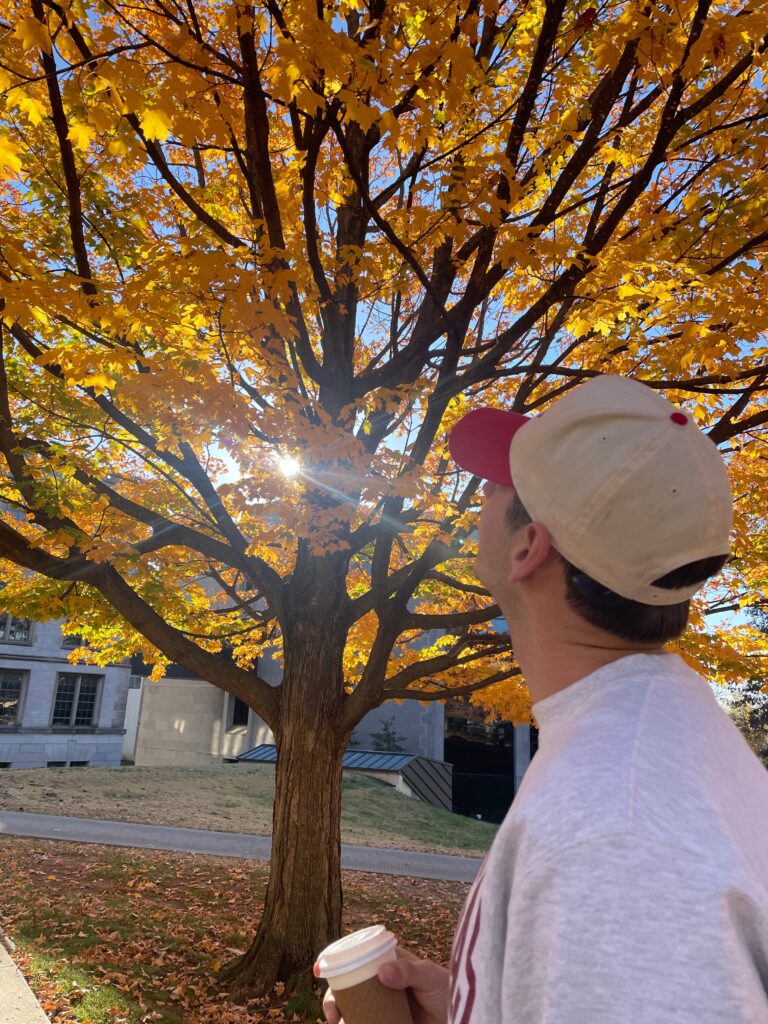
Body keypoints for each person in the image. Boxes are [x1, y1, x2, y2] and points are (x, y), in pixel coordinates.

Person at [318, 374, 768, 1024]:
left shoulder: (611, 840)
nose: (481, 499)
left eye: (497, 485)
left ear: (529, 548)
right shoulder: (670, 738)